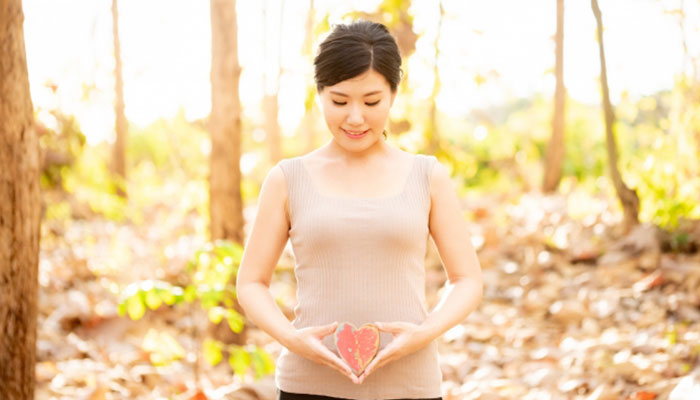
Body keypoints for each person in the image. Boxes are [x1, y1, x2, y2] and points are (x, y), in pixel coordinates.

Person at [236, 20, 483, 400]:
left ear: (393, 94)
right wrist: (292, 339)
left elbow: (467, 279)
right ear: (319, 94)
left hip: (410, 387)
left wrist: (423, 332)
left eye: (371, 102)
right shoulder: (288, 178)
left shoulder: (426, 176)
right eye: (339, 101)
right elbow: (251, 282)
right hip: (308, 387)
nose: (354, 118)